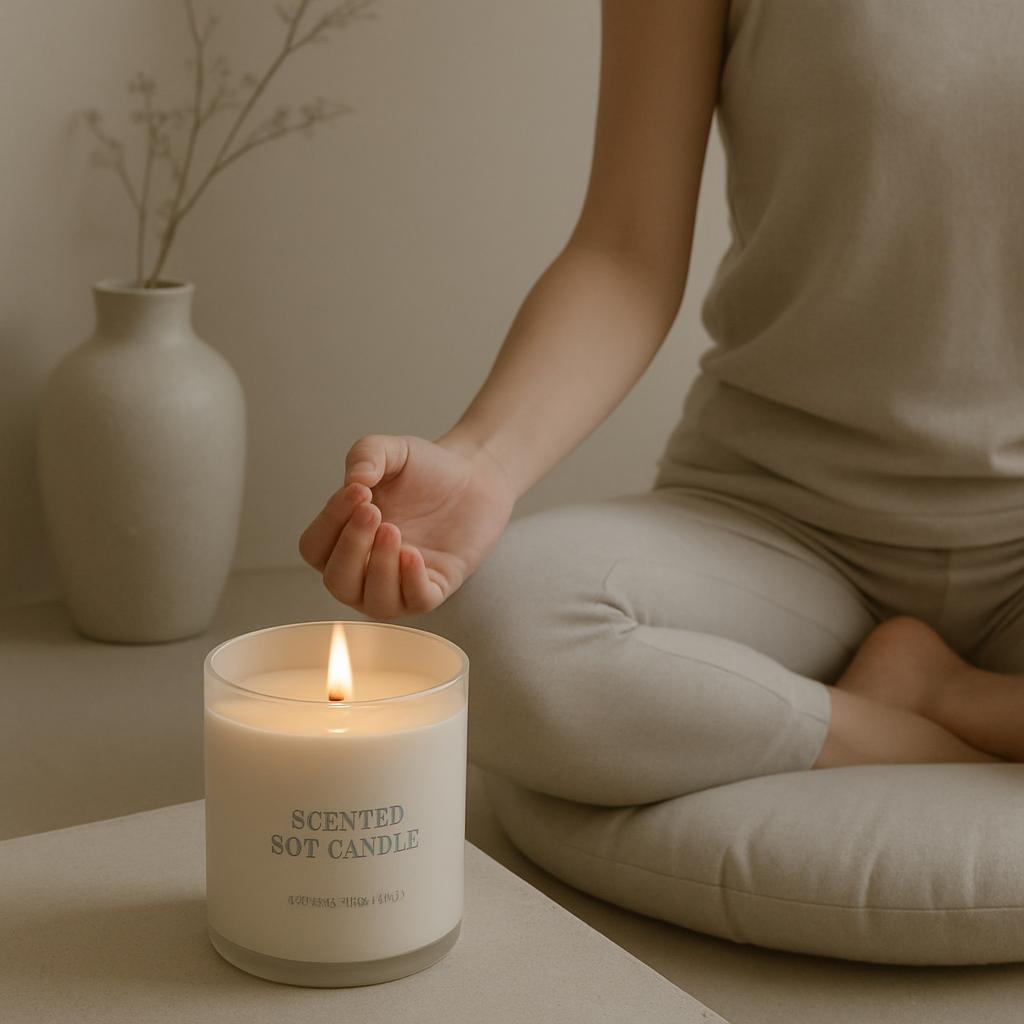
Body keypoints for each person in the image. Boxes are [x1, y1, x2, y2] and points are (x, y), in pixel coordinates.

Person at [299, 0, 1024, 807]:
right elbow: (625, 251)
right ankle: (909, 738)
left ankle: (949, 699)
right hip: (778, 520)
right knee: (486, 633)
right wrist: (483, 462)